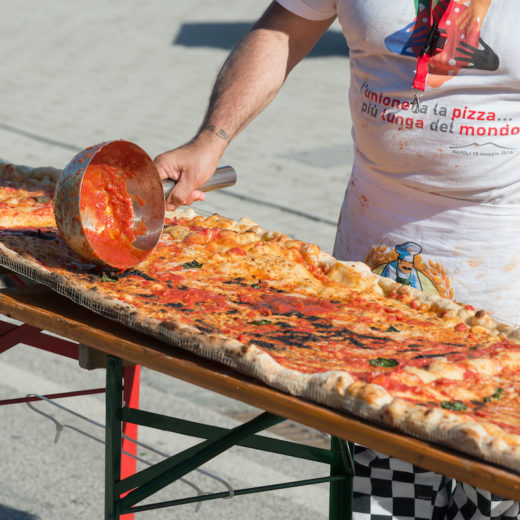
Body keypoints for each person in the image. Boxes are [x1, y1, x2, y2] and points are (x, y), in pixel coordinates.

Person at [154, 1, 520, 518]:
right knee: (384, 488)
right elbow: (284, 30)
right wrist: (211, 139)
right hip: (368, 270)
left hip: (505, 276)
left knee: (494, 495)